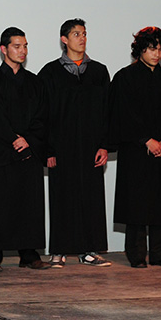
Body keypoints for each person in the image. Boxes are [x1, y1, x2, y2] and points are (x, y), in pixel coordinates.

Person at [39, 19, 111, 268]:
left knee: (91, 198)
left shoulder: (99, 71)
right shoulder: (49, 72)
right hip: (61, 148)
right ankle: (59, 251)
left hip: (91, 147)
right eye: (76, 34)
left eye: (84, 34)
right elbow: (43, 114)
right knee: (62, 198)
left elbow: (107, 111)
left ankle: (88, 251)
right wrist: (48, 149)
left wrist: (104, 145)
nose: (82, 38)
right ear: (64, 39)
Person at [109, 27, 161, 268]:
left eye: (160, 49)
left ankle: (160, 254)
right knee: (136, 203)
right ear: (140, 49)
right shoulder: (124, 77)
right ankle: (136, 255)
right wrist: (145, 140)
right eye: (151, 48)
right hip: (136, 150)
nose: (156, 54)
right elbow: (121, 114)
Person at [0, 27, 49, 270]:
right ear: (4, 49)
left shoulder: (36, 83)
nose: (22, 51)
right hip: (1, 153)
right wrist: (12, 139)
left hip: (29, 152)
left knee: (29, 205)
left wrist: (28, 139)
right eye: (17, 46)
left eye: (25, 46)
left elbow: (43, 116)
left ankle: (29, 254)